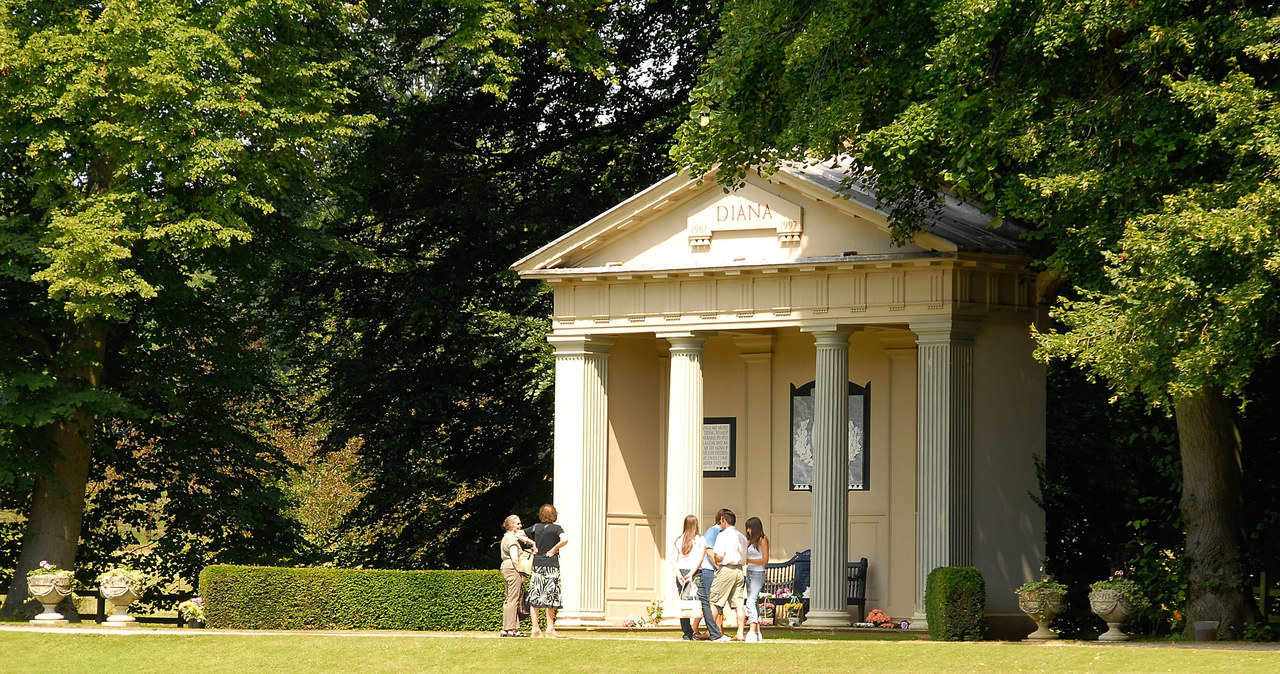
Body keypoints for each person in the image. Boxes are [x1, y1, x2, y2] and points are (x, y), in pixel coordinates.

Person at [523, 503, 569, 638]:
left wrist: (531, 543)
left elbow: (519, 533)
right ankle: (550, 627)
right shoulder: (556, 528)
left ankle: (535, 628)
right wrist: (555, 549)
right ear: (554, 515)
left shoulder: (536, 527)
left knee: (535, 596)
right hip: (551, 565)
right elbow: (565, 539)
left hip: (537, 565)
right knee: (551, 597)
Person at [707, 509, 748, 642]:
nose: (720, 524)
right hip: (739, 570)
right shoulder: (741, 536)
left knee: (714, 601)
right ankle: (740, 632)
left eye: (721, 522)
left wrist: (715, 557)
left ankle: (711, 632)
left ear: (725, 521)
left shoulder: (723, 536)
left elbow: (719, 556)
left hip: (726, 569)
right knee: (739, 603)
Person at [692, 508, 727, 641]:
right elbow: (710, 552)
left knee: (716, 602)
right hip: (710, 570)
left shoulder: (723, 533)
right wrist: (718, 567)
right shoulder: (713, 531)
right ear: (722, 520)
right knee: (711, 602)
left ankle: (717, 630)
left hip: (716, 570)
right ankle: (698, 628)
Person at [498, 514, 535, 637]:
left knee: (509, 599)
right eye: (518, 524)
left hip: (505, 568)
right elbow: (515, 558)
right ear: (511, 525)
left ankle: (507, 628)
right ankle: (511, 629)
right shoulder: (512, 540)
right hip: (512, 569)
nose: (520, 525)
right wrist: (522, 573)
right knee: (513, 599)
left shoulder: (505, 538)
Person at [670, 514, 706, 641]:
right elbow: (700, 558)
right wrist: (692, 573)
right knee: (701, 600)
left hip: (681, 571)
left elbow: (673, 560)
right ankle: (695, 628)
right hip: (695, 572)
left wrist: (679, 574)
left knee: (683, 602)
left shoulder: (679, 540)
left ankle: (687, 632)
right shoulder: (700, 540)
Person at [743, 516, 770, 642]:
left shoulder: (762, 539)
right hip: (750, 572)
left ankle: (752, 628)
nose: (748, 530)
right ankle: (758, 631)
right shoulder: (752, 541)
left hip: (758, 573)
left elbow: (765, 559)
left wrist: (749, 560)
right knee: (753, 602)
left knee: (751, 600)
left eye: (749, 527)